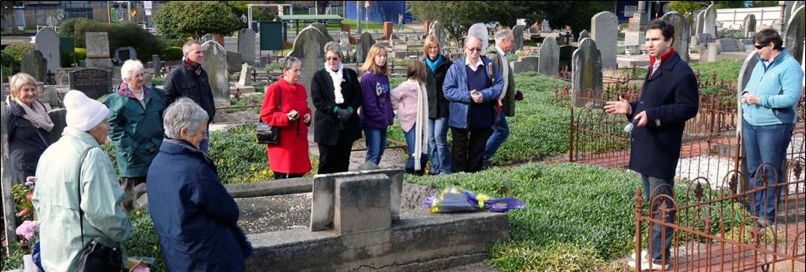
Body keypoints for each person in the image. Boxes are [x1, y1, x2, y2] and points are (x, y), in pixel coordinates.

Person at [604, 20, 699, 270]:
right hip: (647, 144)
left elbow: (688, 108)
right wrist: (631, 108)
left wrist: (654, 116)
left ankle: (660, 258)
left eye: (655, 39)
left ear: (669, 41)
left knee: (662, 203)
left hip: (662, 146)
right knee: (652, 202)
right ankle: (654, 250)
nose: (649, 44)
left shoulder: (680, 71)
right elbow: (649, 104)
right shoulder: (655, 66)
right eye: (647, 39)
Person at [147, 98, 253, 271]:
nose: (205, 137)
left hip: (178, 255)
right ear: (184, 132)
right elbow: (229, 212)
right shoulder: (195, 170)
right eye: (202, 132)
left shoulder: (157, 163)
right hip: (207, 258)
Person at [33, 90, 132, 272]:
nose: (108, 127)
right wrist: (125, 231)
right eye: (104, 122)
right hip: (85, 257)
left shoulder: (51, 151)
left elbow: (38, 202)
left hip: (54, 256)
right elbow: (104, 213)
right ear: (91, 126)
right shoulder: (92, 155)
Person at [741, 28, 804, 227]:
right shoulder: (761, 63)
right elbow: (750, 85)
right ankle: (754, 210)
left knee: (769, 170)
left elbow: (791, 98)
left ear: (772, 45)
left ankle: (767, 215)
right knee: (754, 169)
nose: (757, 50)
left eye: (760, 47)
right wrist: (746, 96)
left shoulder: (790, 66)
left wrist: (760, 99)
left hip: (774, 125)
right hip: (751, 122)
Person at [105, 59, 166, 211]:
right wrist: (131, 146)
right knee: (129, 194)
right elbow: (113, 127)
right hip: (132, 155)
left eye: (141, 74)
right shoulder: (116, 100)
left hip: (155, 150)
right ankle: (130, 222)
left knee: (155, 189)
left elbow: (164, 116)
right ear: (126, 79)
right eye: (136, 76)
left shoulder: (154, 95)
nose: (141, 78)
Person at [443, 36, 503, 173]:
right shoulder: (456, 67)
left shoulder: (489, 65)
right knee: (459, 153)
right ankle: (458, 183)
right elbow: (447, 90)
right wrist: (468, 95)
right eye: (472, 49)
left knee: (477, 152)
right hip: (460, 117)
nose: (475, 52)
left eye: (478, 49)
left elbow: (499, 84)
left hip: (483, 115)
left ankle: (473, 181)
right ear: (464, 49)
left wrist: (485, 95)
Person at [311, 42, 363, 174]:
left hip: (346, 125)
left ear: (340, 58)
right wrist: (336, 110)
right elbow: (318, 100)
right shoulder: (319, 76)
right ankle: (324, 193)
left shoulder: (350, 74)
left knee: (343, 161)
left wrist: (350, 110)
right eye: (328, 58)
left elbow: (358, 96)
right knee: (326, 161)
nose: (331, 61)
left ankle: (341, 190)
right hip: (327, 124)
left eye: (335, 58)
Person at [261, 56, 312, 179]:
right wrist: (286, 118)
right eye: (296, 70)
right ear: (285, 72)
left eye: (300, 70)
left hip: (298, 144)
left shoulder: (301, 89)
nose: (299, 74)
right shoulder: (275, 89)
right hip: (282, 145)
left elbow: (305, 108)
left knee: (297, 179)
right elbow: (266, 115)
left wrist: (308, 116)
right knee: (281, 182)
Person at [164, 40, 215, 152]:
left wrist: (210, 114)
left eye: (202, 52)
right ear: (186, 54)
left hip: (203, 126)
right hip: (187, 130)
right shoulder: (176, 75)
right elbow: (167, 102)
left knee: (202, 158)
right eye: (197, 52)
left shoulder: (202, 73)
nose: (201, 55)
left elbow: (209, 96)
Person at [4, 73, 53, 185]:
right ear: (16, 91)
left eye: (33, 89)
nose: (31, 93)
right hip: (24, 170)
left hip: (43, 164)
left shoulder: (39, 108)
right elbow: (4, 143)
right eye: (26, 90)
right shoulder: (11, 113)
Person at [483, 29, 518, 169]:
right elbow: (488, 81)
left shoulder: (502, 56)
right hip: (492, 103)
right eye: (511, 41)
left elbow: (503, 79)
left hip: (498, 102)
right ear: (503, 41)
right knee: (502, 131)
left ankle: (480, 158)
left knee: (492, 131)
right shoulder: (493, 57)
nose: (513, 44)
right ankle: (481, 158)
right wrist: (494, 99)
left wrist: (512, 95)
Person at [391, 60, 430, 175]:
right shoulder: (407, 85)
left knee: (423, 150)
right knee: (414, 151)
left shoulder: (422, 86)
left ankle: (419, 173)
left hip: (420, 121)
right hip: (409, 121)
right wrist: (399, 110)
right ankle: (409, 173)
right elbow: (393, 95)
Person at [423, 34, 454, 175]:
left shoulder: (447, 65)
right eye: (430, 48)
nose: (433, 50)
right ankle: (435, 167)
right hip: (428, 108)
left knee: (439, 138)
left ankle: (445, 168)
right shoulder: (422, 65)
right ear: (426, 49)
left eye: (435, 47)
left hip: (443, 108)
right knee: (430, 140)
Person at [359, 44, 394, 166]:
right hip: (372, 122)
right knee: (373, 152)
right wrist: (381, 118)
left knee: (380, 151)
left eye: (384, 56)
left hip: (382, 121)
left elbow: (387, 99)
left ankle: (373, 175)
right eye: (379, 56)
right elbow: (369, 104)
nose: (382, 58)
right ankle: (366, 178)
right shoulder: (368, 78)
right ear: (372, 57)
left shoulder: (383, 77)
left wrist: (390, 116)